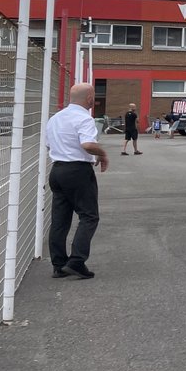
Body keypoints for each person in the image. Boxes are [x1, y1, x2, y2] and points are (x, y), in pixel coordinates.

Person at [46, 83, 109, 279]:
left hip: (57, 170)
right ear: (89, 98)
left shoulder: (55, 118)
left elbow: (49, 144)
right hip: (78, 171)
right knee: (89, 216)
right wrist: (103, 154)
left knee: (60, 219)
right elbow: (88, 144)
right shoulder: (84, 118)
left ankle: (58, 264)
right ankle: (76, 261)